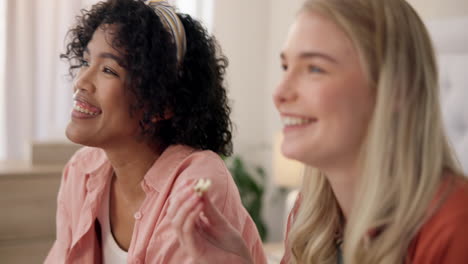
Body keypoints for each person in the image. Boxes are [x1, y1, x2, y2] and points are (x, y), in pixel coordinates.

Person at [168, 0, 468, 263]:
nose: (280, 92)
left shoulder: (454, 224)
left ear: (397, 89)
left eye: (314, 69)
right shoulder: (312, 217)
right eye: (286, 67)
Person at [45, 0, 267, 263]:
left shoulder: (196, 185)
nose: (80, 81)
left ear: (161, 104)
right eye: (85, 61)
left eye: (108, 70)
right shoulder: (81, 171)